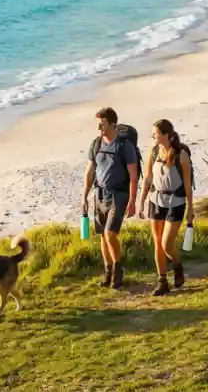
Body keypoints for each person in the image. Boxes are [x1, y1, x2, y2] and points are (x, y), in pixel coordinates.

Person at [81, 106, 138, 289]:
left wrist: (132, 201)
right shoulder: (96, 144)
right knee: (102, 237)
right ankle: (108, 272)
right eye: (98, 123)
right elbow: (89, 171)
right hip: (99, 195)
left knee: (110, 233)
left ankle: (118, 272)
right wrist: (84, 196)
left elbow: (133, 175)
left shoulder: (124, 146)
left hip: (118, 195)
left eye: (102, 123)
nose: (99, 127)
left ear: (112, 124)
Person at [137, 118, 194, 296]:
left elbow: (187, 185)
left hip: (176, 201)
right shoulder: (153, 152)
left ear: (166, 135)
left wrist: (191, 209)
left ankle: (177, 264)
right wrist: (142, 201)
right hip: (156, 200)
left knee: (166, 244)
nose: (153, 136)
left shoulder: (181, 155)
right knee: (157, 243)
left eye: (156, 133)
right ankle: (162, 281)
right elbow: (147, 178)